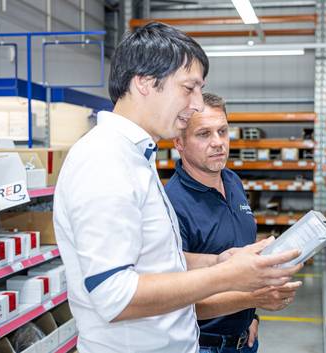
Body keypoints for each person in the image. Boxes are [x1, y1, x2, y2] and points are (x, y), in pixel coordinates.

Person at [53, 22, 302, 353]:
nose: (197, 104)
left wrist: (221, 262)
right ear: (144, 82)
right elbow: (115, 295)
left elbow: (153, 261)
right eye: (189, 88)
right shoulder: (104, 161)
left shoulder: (134, 157)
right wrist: (231, 278)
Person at [165, 92, 303, 353]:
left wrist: (251, 315)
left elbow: (242, 256)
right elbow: (178, 302)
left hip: (244, 340)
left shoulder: (232, 181)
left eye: (223, 131)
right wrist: (254, 299)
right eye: (204, 134)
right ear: (179, 143)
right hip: (205, 345)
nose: (218, 143)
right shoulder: (172, 204)